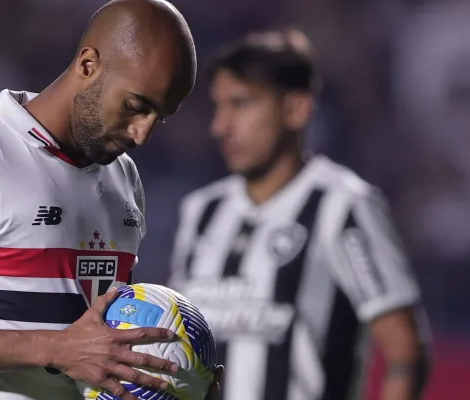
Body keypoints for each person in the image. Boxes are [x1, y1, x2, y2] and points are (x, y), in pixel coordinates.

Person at [0, 0, 221, 400]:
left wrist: (179, 386)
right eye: (136, 106)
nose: (142, 133)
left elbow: (101, 349)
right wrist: (56, 348)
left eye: (160, 116)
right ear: (89, 65)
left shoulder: (123, 177)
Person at [169, 29, 430, 400]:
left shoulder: (342, 206)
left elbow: (404, 347)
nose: (220, 126)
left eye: (241, 104)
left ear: (295, 109)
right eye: (218, 105)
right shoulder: (202, 211)